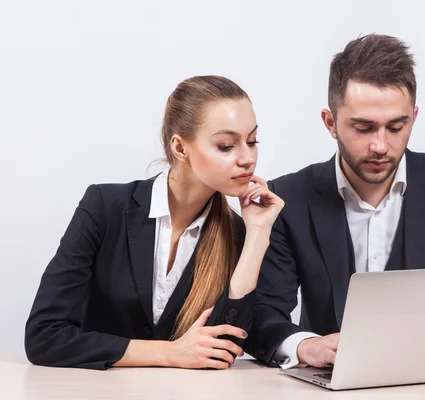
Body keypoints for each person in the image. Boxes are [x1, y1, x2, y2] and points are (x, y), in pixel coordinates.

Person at [245, 34, 425, 368]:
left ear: (413, 116)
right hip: (329, 387)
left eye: (396, 126)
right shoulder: (289, 198)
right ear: (331, 123)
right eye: (363, 128)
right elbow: (260, 314)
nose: (381, 146)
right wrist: (305, 346)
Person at [25, 76, 284, 370]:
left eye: (252, 141)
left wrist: (258, 235)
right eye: (226, 146)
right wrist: (169, 353)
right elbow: (44, 337)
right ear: (180, 148)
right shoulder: (104, 207)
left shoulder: (238, 232)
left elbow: (222, 349)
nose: (247, 158)